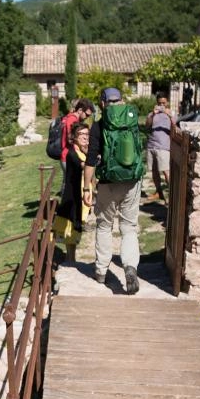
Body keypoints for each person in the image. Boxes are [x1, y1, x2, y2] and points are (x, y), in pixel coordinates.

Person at [82, 87, 141, 295]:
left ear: (102, 103)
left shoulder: (98, 126)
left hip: (107, 182)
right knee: (129, 227)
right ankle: (130, 267)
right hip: (132, 182)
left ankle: (101, 272)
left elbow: (90, 160)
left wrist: (86, 187)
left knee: (105, 226)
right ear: (121, 101)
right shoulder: (132, 121)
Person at [52, 123, 90, 263]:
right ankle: (71, 263)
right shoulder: (72, 153)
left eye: (87, 134)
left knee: (74, 232)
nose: (86, 137)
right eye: (82, 134)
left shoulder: (81, 150)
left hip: (81, 194)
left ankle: (71, 261)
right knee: (72, 232)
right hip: (74, 196)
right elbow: (84, 166)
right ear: (74, 137)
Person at [145, 91, 174, 202]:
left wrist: (170, 116)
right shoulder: (152, 113)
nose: (162, 105)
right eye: (159, 103)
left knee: (166, 171)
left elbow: (175, 128)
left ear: (167, 102)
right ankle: (159, 192)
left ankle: (172, 196)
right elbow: (147, 126)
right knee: (154, 171)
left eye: (164, 103)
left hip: (164, 146)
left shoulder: (171, 113)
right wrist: (153, 114)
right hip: (152, 145)